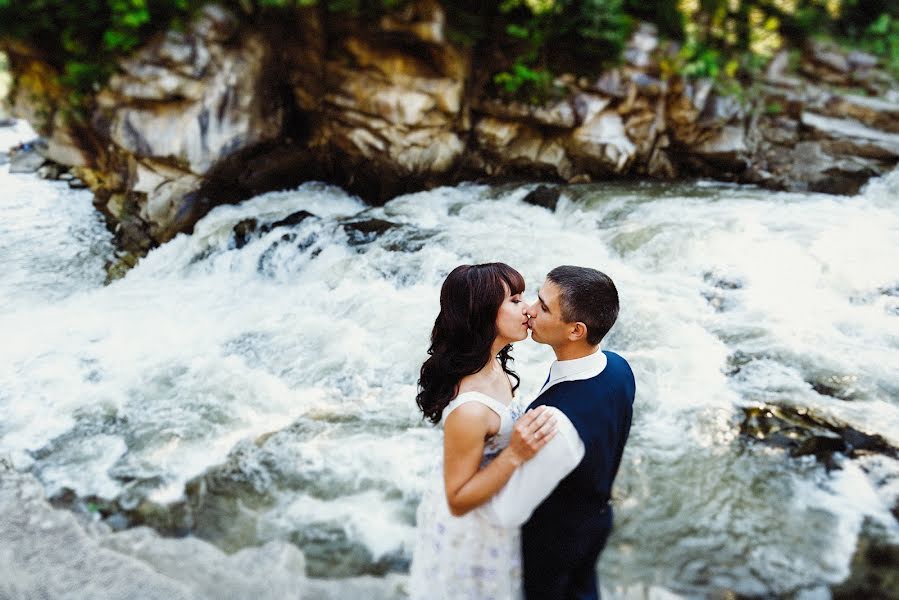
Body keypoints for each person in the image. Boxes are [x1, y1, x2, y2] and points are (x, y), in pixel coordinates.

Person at [482, 265, 636, 600]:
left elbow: (506, 513)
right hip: (594, 519)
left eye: (544, 307)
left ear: (576, 331)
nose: (530, 311)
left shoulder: (553, 423)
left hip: (552, 545)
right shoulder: (618, 367)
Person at [408, 263, 558, 600]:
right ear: (483, 313)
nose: (529, 309)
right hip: (469, 529)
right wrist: (516, 453)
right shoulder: (470, 410)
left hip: (494, 510)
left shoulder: (496, 364)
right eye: (515, 300)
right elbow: (458, 500)